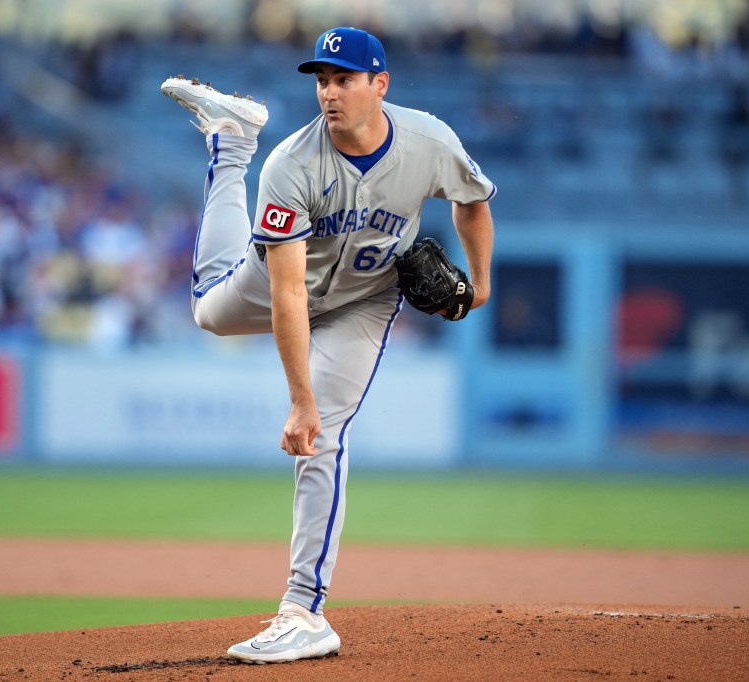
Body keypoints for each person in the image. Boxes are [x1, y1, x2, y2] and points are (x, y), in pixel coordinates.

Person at [160, 27, 495, 664]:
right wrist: (298, 399)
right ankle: (233, 143)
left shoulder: (429, 142)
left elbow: (472, 202)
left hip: (365, 301)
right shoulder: (291, 165)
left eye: (343, 79)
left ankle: (303, 611)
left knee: (326, 436)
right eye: (321, 80)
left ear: (380, 84)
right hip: (280, 282)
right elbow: (288, 296)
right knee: (208, 311)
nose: (329, 93)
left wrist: (479, 287)